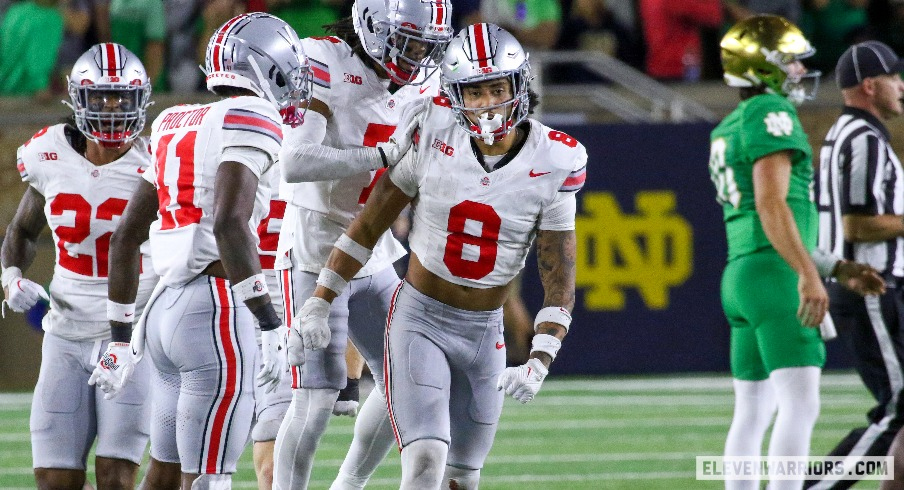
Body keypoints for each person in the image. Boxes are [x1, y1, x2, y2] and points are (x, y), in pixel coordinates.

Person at [292, 22, 584, 489]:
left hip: (483, 330)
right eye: (475, 91)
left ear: (519, 86)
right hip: (419, 319)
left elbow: (559, 276)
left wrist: (542, 356)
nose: (488, 103)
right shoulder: (432, 128)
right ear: (454, 95)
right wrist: (320, 299)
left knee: (463, 478)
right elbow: (368, 225)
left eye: (496, 88)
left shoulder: (555, 159)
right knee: (426, 458)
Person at [87, 12, 310, 489]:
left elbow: (126, 235)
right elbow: (230, 224)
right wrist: (269, 322)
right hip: (217, 311)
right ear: (268, 66)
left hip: (164, 310)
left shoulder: (172, 120)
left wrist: (120, 338)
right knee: (209, 478)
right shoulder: (254, 115)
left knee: (162, 475)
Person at [271, 0, 453, 487]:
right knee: (315, 398)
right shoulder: (323, 60)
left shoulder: (425, 82)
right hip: (315, 243)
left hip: (374, 247)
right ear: (375, 28)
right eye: (411, 41)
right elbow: (296, 162)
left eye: (428, 45)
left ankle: (347, 485)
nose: (419, 56)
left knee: (407, 377)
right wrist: (380, 155)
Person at [711, 15, 886, 490]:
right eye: (787, 59)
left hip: (743, 273)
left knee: (753, 409)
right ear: (763, 66)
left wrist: (835, 267)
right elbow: (772, 204)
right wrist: (808, 275)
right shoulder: (772, 111)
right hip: (775, 272)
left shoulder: (728, 124)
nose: (796, 68)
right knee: (800, 404)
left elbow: (772, 211)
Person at [1, 43, 155, 490]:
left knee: (115, 477)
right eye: (102, 97)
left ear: (140, 100)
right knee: (54, 480)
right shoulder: (47, 154)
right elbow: (22, 232)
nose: (112, 108)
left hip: (130, 337)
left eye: (123, 98)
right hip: (65, 334)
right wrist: (10, 277)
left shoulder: (156, 162)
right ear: (78, 99)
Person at [808, 40, 904, 490]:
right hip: (870, 286)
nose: (901, 86)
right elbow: (859, 223)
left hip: (869, 285)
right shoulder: (864, 138)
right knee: (896, 409)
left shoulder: (846, 133)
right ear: (870, 85)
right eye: (894, 77)